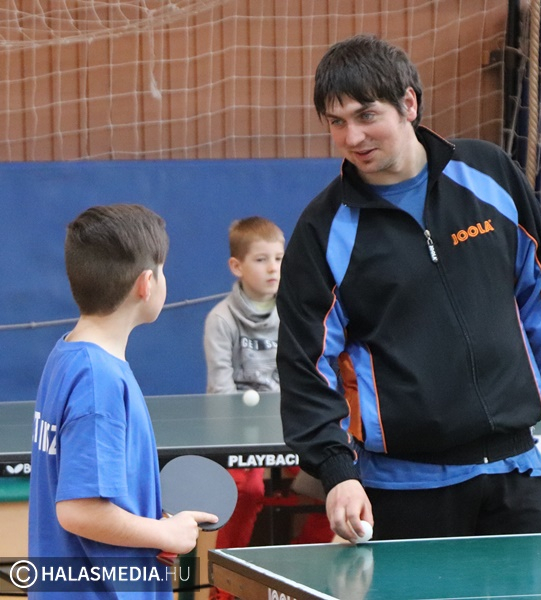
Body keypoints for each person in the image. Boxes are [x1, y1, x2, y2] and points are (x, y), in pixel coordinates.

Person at [276, 34, 541, 544]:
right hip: (404, 488)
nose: (352, 137)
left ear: (408, 103)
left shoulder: (489, 174)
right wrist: (336, 470)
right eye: (336, 123)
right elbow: (306, 365)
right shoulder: (323, 230)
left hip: (515, 473)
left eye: (366, 115)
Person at [28, 204, 216, 599]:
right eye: (162, 270)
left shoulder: (67, 355)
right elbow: (78, 510)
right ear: (146, 284)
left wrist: (150, 522)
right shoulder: (100, 381)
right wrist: (164, 533)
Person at [203, 217, 332, 600]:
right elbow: (221, 392)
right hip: (238, 436)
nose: (273, 268)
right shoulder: (221, 320)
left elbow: (311, 376)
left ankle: (295, 577)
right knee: (247, 490)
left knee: (333, 482)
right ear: (237, 266)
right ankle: (226, 585)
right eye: (261, 260)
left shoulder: (295, 313)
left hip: (292, 428)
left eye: (279, 258)